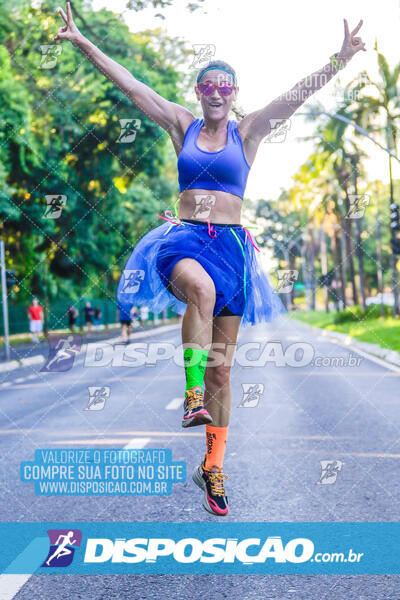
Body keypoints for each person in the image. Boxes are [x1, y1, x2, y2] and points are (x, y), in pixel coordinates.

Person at [55, 6, 365, 516]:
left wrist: (340, 59)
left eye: (226, 85)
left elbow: (297, 94)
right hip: (184, 242)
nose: (217, 92)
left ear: (234, 94)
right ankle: (191, 390)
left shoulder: (252, 130)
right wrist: (83, 42)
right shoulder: (181, 124)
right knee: (199, 292)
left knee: (226, 373)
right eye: (209, 85)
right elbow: (132, 86)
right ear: (198, 92)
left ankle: (213, 465)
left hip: (235, 252)